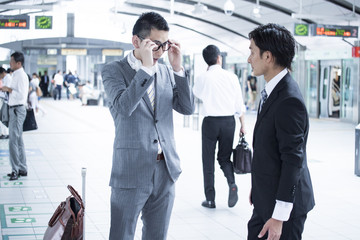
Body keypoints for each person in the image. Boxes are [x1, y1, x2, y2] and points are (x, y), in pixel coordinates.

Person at [101, 12, 194, 240]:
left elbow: (187, 108)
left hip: (165, 170)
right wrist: (146, 67)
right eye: (156, 45)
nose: (161, 51)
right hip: (131, 169)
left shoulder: (165, 70)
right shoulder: (113, 70)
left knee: (157, 236)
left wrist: (178, 69)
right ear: (137, 42)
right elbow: (124, 107)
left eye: (165, 44)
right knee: (121, 235)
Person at [247, 23, 315, 240]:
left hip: (285, 211)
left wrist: (280, 216)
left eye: (252, 52)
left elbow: (293, 159)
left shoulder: (288, 99)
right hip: (267, 198)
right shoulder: (272, 89)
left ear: (268, 56)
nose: (249, 58)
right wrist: (259, 188)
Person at [192, 45, 246, 209]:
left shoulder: (203, 78)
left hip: (210, 122)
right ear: (219, 58)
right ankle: (232, 184)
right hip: (229, 122)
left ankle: (210, 199)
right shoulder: (231, 77)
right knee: (224, 158)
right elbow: (239, 104)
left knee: (208, 161)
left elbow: (198, 94)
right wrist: (243, 126)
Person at [0, 52, 29, 181]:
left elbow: (22, 95)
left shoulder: (21, 76)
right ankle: (22, 168)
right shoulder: (16, 75)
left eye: (11, 61)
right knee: (18, 140)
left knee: (13, 141)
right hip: (15, 109)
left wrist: (9, 90)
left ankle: (15, 169)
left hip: (17, 110)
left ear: (19, 63)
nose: (10, 63)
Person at [0, 67, 12, 139]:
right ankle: (3, 132)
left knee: (3, 117)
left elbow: (7, 89)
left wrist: (2, 89)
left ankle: (5, 133)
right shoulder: (5, 78)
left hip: (5, 100)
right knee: (3, 116)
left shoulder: (8, 78)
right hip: (4, 99)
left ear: (2, 73)